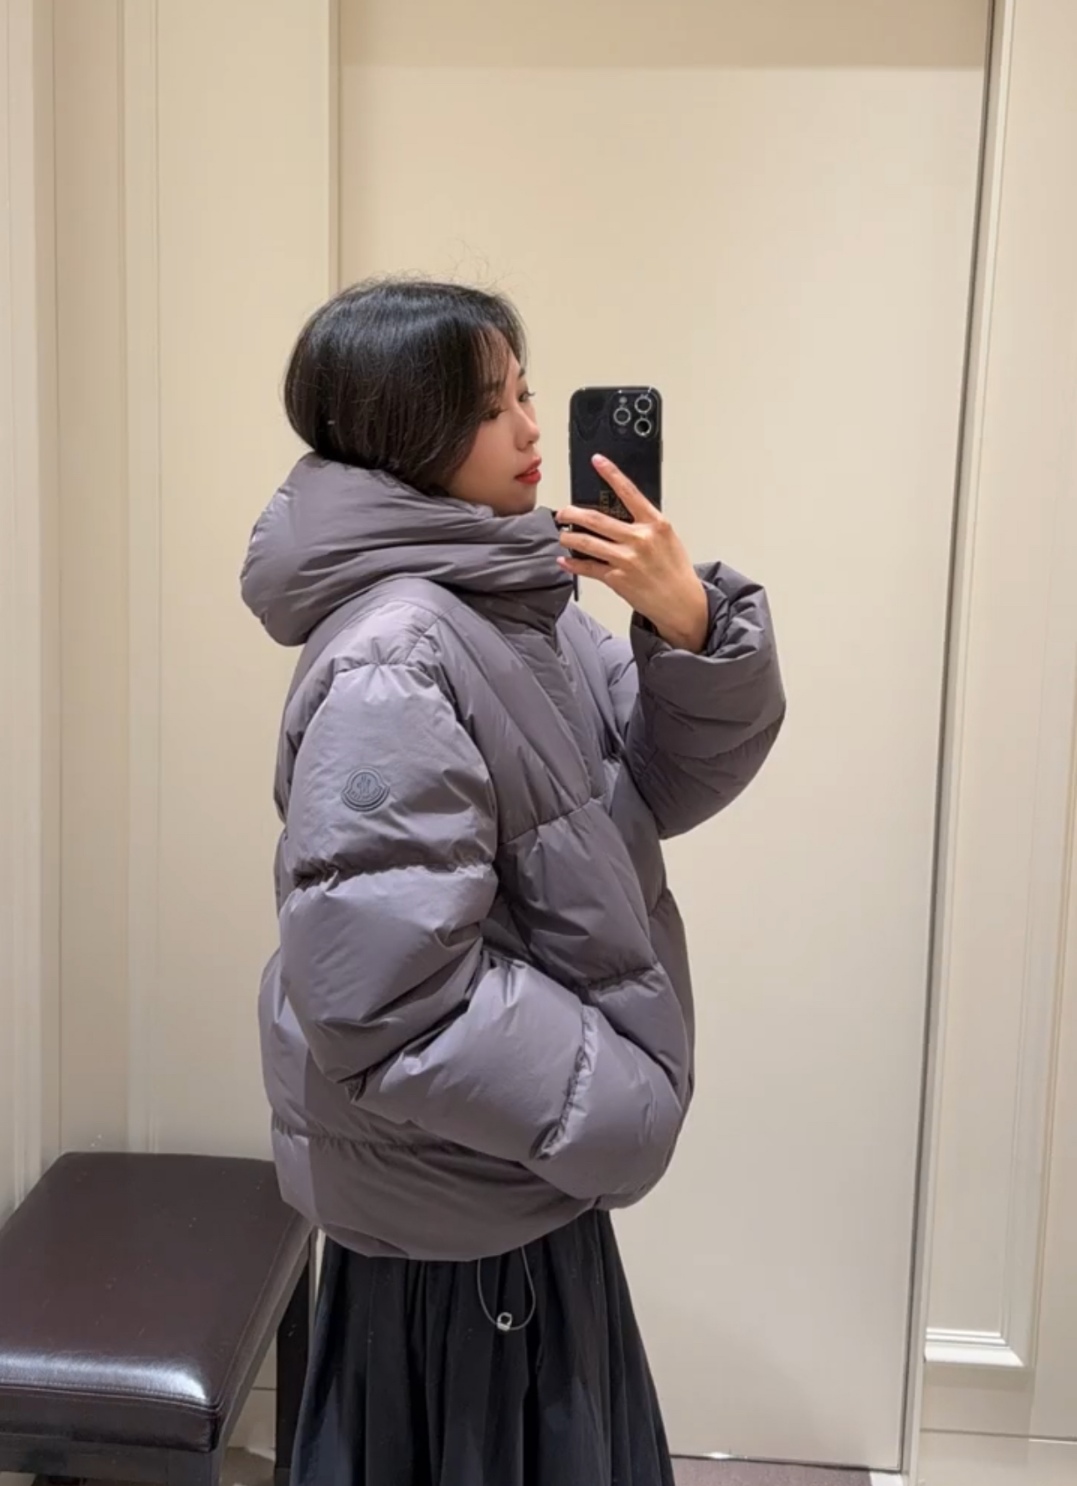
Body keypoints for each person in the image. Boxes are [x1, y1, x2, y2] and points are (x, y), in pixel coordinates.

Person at [241, 278, 784, 1486]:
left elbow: (660, 777)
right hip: (461, 1218)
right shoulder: (398, 653)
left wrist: (690, 626)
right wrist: (620, 1095)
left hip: (510, 1181)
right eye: (494, 406)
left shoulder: (513, 608)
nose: (534, 429)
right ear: (408, 430)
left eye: (528, 392)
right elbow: (387, 1000)